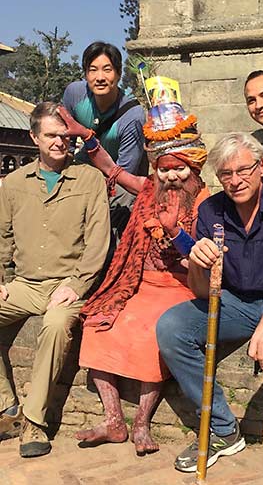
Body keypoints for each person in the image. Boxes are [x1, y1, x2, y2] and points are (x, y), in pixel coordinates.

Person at [156, 132, 263, 485]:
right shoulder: (210, 210)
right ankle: (222, 428)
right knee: (171, 327)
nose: (235, 181)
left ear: (262, 167)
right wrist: (199, 263)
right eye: (226, 175)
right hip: (234, 302)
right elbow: (205, 293)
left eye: (243, 171)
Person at [57, 99, 209, 455]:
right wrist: (89, 139)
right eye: (164, 169)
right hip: (136, 281)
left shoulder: (206, 202)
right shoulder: (146, 191)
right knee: (96, 320)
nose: (171, 176)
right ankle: (113, 420)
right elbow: (111, 167)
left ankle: (142, 421)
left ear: (193, 168)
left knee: (148, 333)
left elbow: (206, 258)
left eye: (179, 169)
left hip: (180, 288)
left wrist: (176, 235)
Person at [0, 102, 109, 458]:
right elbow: (2, 237)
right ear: (34, 137)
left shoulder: (90, 179)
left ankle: (34, 421)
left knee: (55, 326)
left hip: (67, 284)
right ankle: (6, 407)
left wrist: (76, 286)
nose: (60, 142)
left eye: (65, 135)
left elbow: (98, 243)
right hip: (26, 284)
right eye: (51, 135)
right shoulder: (13, 184)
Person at [62, 41, 147, 248]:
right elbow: (65, 134)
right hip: (85, 167)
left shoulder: (133, 116)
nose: (100, 77)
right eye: (93, 70)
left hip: (118, 179)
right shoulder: (74, 94)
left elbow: (125, 172)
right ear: (85, 74)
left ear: (118, 74)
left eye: (107, 70)